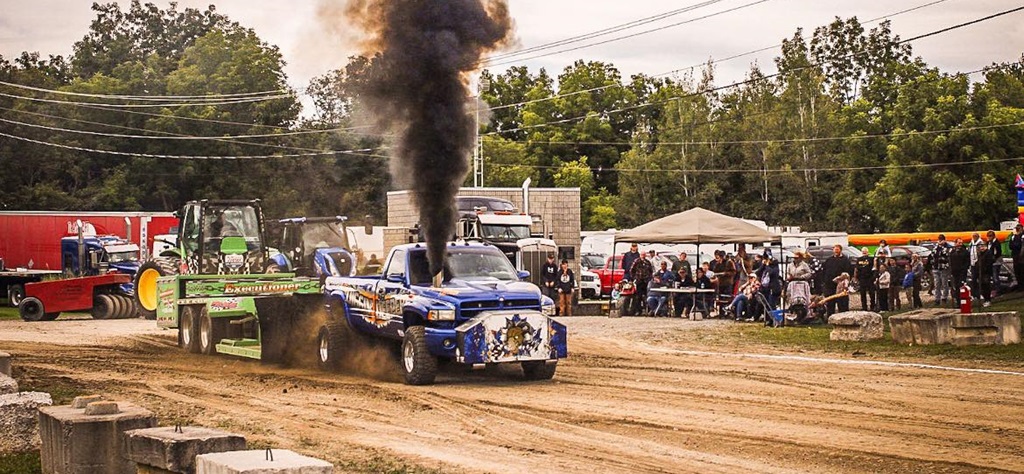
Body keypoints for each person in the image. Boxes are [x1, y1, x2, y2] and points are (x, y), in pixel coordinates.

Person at [822, 245, 854, 315]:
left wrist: (844, 282)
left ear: (840, 250)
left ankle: (844, 317)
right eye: (835, 250)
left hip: (841, 286)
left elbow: (849, 272)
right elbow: (824, 271)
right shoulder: (829, 260)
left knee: (842, 303)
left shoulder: (845, 260)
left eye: (837, 250)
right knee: (830, 303)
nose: (836, 251)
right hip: (830, 286)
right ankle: (830, 318)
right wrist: (825, 281)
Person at [628, 251, 654, 316]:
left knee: (646, 296)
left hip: (646, 281)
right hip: (639, 281)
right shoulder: (636, 261)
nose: (643, 256)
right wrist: (634, 278)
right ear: (640, 255)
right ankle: (638, 311)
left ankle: (646, 310)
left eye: (644, 255)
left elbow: (651, 271)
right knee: (638, 297)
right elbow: (631, 270)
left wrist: (649, 278)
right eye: (642, 254)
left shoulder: (647, 262)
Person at [931, 234, 952, 306]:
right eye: (939, 239)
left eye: (941, 240)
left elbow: (945, 254)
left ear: (944, 240)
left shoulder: (948, 246)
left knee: (944, 283)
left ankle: (944, 298)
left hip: (943, 268)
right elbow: (933, 254)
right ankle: (937, 299)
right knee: (937, 284)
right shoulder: (936, 247)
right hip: (936, 267)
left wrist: (942, 247)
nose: (940, 241)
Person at [949, 238, 970, 306]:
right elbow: (950, 261)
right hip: (955, 272)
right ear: (955, 243)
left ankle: (963, 301)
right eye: (959, 243)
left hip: (962, 272)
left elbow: (967, 262)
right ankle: (958, 302)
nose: (960, 244)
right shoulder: (952, 251)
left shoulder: (965, 252)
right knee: (956, 287)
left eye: (961, 243)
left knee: (962, 286)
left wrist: (964, 269)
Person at [854, 247, 876, 311]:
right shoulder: (859, 259)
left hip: (870, 278)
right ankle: (864, 307)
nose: (864, 252)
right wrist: (855, 277)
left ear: (867, 252)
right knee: (862, 294)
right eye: (863, 251)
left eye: (865, 251)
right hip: (862, 278)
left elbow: (874, 267)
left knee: (872, 293)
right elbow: (856, 268)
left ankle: (872, 306)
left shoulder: (871, 259)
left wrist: (874, 277)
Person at [975, 242, 994, 307]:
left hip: (986, 273)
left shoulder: (988, 253)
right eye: (980, 247)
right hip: (981, 272)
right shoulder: (980, 254)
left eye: (983, 246)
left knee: (986, 286)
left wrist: (984, 269)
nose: (981, 248)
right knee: (983, 286)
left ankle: (988, 300)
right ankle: (985, 299)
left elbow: (989, 263)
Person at [985, 230, 1002, 295]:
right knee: (992, 277)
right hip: (990, 262)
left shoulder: (996, 243)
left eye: (990, 236)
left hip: (996, 262)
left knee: (995, 277)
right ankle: (994, 289)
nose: (989, 238)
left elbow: (998, 253)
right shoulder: (988, 243)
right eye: (988, 236)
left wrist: (993, 259)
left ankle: (998, 290)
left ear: (993, 236)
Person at [968, 232, 983, 298]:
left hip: (979, 262)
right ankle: (974, 294)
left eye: (975, 236)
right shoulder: (971, 243)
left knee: (980, 279)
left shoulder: (980, 242)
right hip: (972, 263)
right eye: (973, 236)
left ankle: (981, 293)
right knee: (973, 279)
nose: (974, 237)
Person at [1011, 224, 1024, 291]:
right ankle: (1020, 286)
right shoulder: (1014, 236)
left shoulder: (1022, 236)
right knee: (1017, 271)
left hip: (1021, 256)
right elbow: (1011, 246)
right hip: (1015, 256)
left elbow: (1020, 245)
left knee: (1022, 271)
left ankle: (1022, 286)